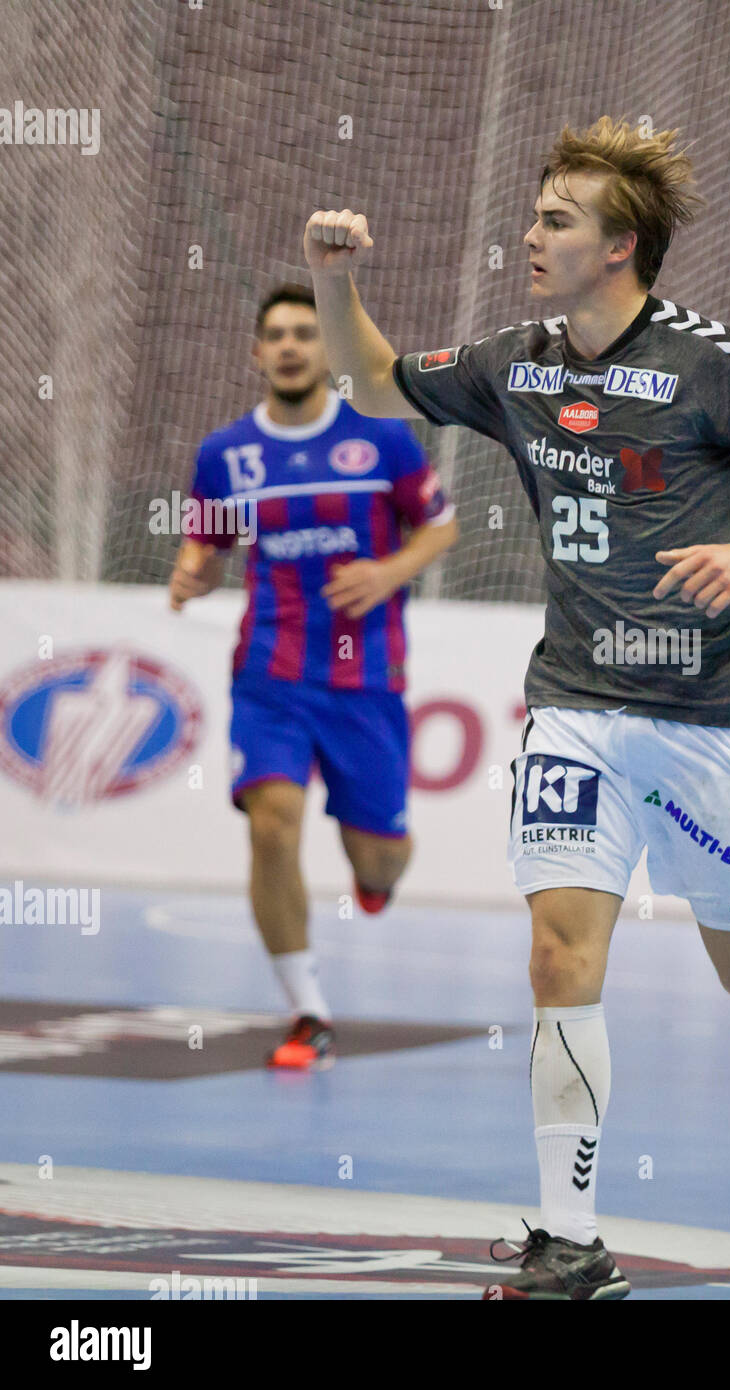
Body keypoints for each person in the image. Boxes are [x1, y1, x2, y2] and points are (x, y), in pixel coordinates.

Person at [305, 116, 730, 1298]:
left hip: (709, 715)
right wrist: (339, 283)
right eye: (535, 213)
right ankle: (568, 1241)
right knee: (556, 954)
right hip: (574, 706)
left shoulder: (716, 365)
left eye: (555, 219)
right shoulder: (519, 360)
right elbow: (377, 385)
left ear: (619, 246)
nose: (530, 235)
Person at [168, 284, 458, 1071]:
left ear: (325, 351)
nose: (292, 346)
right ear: (257, 354)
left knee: (378, 857)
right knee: (271, 826)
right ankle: (307, 1014)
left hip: (365, 680)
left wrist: (387, 572)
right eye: (277, 335)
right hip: (269, 674)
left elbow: (440, 525)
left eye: (305, 332)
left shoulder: (382, 441)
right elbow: (209, 541)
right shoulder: (227, 454)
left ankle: (378, 875)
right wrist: (191, 573)